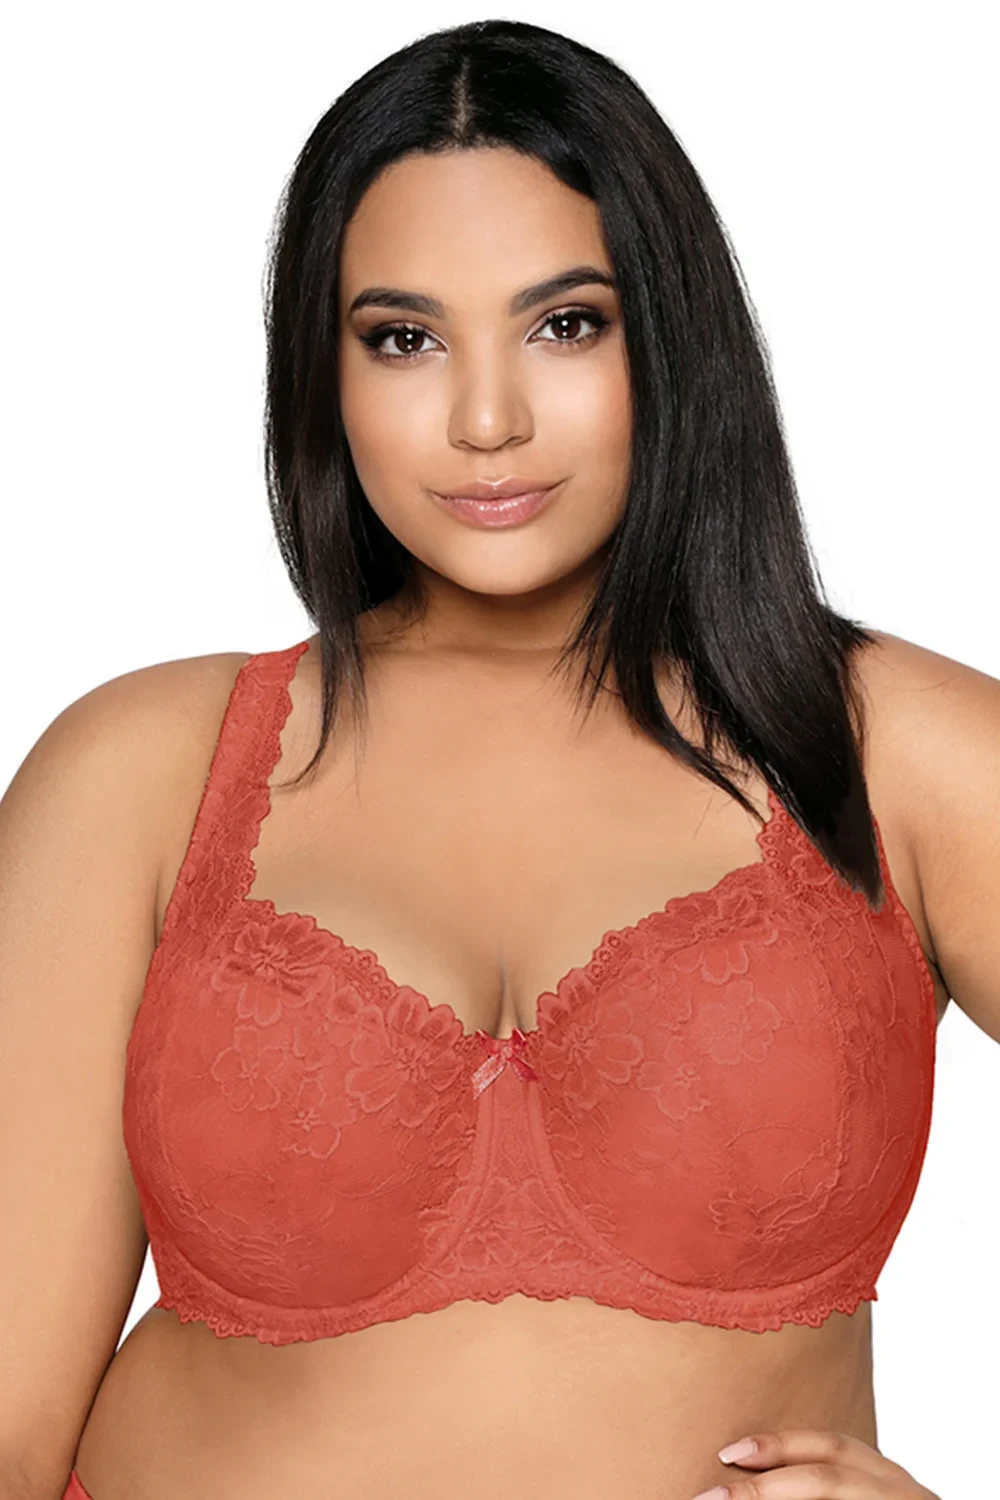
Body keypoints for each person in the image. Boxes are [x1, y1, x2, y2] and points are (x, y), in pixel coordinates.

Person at [2, 17, 991, 1500]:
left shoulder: (892, 755)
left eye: (565, 325)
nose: (486, 421)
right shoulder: (142, 772)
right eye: (404, 339)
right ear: (323, 374)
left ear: (670, 337)